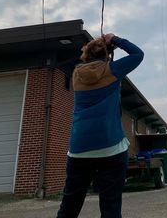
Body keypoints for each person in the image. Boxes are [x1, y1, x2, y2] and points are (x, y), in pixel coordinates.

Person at [56, 33, 144, 218]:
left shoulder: (76, 75)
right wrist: (115, 40)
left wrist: (102, 48)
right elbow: (137, 54)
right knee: (110, 205)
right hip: (111, 148)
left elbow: (93, 65)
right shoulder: (112, 70)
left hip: (79, 148)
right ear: (107, 55)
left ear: (86, 54)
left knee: (69, 206)